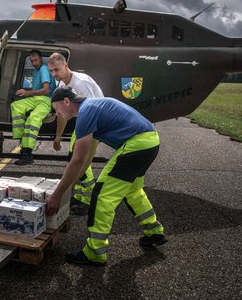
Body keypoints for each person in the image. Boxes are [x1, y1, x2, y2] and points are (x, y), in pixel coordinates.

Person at [46, 86, 167, 266]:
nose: (57, 113)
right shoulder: (92, 107)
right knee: (133, 191)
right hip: (150, 142)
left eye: (56, 108)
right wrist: (72, 184)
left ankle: (95, 251)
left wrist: (57, 195)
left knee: (102, 194)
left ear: (66, 101)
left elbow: (77, 160)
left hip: (137, 145)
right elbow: (87, 157)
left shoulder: (86, 112)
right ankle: (154, 231)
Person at [47, 53, 103, 216]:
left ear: (66, 65)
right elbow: (61, 113)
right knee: (74, 158)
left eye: (56, 69)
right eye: (51, 71)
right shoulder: (61, 82)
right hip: (83, 122)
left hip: (95, 123)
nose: (54, 74)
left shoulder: (80, 83)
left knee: (80, 160)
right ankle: (79, 196)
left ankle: (86, 201)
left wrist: (90, 141)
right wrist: (58, 136)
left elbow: (93, 110)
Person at [11, 50, 56, 165]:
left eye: (36, 60)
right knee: (16, 106)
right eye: (31, 61)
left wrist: (27, 93)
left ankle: (27, 153)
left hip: (45, 100)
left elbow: (46, 90)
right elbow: (37, 89)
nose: (34, 63)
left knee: (33, 118)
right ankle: (22, 139)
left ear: (41, 58)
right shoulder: (35, 71)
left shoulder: (43, 69)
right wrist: (25, 91)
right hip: (36, 99)